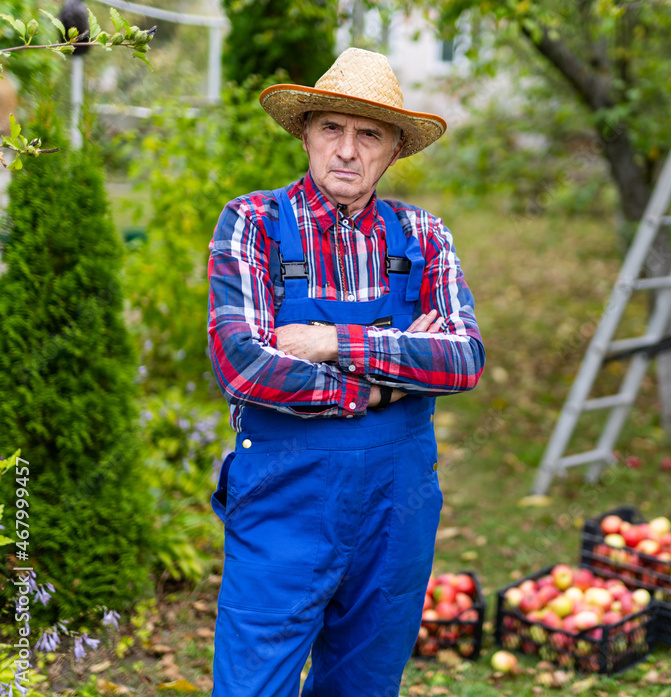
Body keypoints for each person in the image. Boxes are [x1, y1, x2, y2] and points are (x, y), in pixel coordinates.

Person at [206, 47, 485, 697]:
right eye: (331, 127)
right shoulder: (253, 224)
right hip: (284, 503)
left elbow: (464, 357)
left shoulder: (423, 235)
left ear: (393, 152)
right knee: (252, 684)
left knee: (363, 683)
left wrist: (332, 341)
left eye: (370, 134)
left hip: (399, 505)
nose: (347, 150)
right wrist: (393, 377)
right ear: (305, 132)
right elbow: (245, 365)